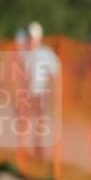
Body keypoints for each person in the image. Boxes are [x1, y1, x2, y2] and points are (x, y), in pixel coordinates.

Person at [19, 22, 60, 155]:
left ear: (38, 38)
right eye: (29, 37)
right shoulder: (23, 53)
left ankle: (38, 145)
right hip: (26, 93)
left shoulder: (46, 53)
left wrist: (56, 90)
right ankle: (23, 146)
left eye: (32, 37)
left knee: (40, 120)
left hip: (41, 92)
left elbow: (56, 72)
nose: (30, 40)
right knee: (24, 119)